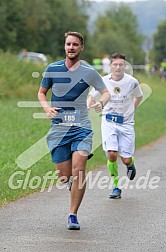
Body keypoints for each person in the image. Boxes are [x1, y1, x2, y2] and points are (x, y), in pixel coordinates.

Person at [38, 31, 110, 230]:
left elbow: (105, 92)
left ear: (81, 48)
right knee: (64, 176)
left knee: (79, 170)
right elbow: (42, 92)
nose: (71, 47)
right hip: (59, 129)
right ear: (64, 46)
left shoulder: (88, 71)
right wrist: (46, 108)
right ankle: (70, 184)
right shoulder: (53, 69)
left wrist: (101, 104)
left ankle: (72, 214)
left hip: (82, 128)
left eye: (75, 45)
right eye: (68, 44)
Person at [87, 53, 143, 199]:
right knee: (111, 153)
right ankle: (116, 186)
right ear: (110, 66)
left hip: (126, 124)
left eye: (121, 65)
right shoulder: (103, 81)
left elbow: (139, 96)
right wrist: (88, 107)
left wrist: (132, 109)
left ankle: (130, 164)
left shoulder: (132, 82)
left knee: (125, 159)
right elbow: (92, 96)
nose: (118, 67)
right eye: (115, 64)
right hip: (109, 121)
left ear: (125, 66)